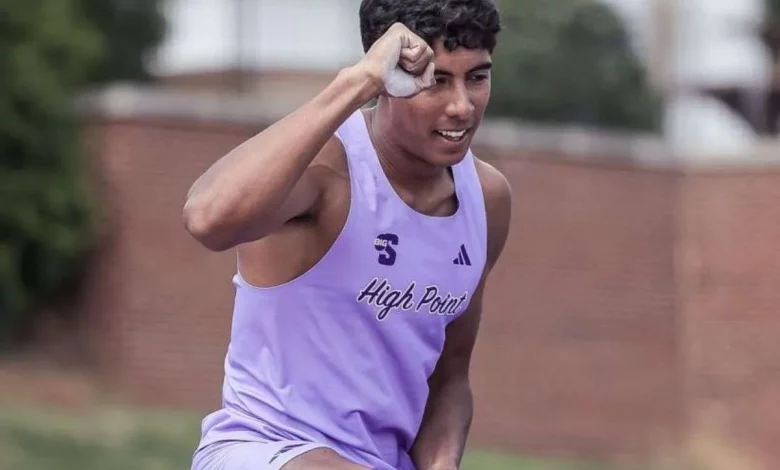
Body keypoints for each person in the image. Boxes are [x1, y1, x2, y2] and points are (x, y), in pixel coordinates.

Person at [183, 0, 510, 468]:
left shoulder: (487, 199)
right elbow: (206, 219)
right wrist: (359, 80)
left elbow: (449, 377)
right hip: (267, 448)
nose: (462, 106)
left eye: (476, 77)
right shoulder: (326, 171)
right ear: (389, 77)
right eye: (437, 80)